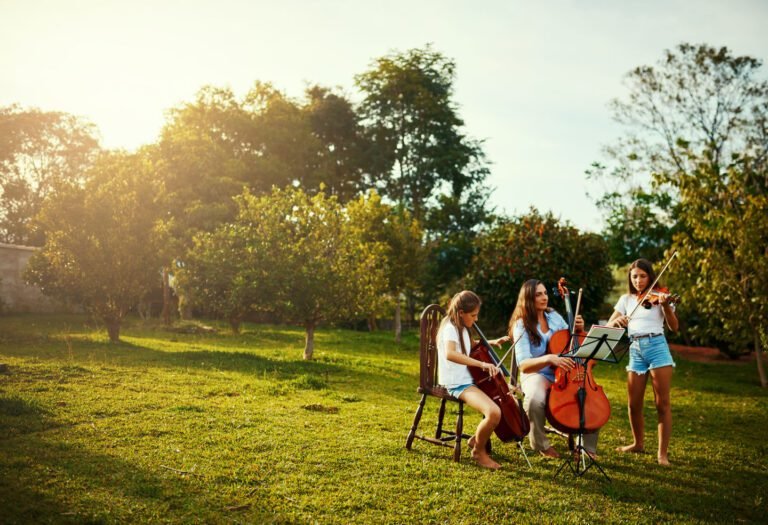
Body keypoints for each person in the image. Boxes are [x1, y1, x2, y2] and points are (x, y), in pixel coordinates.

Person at [509, 279, 598, 458]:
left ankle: (586, 448)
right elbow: (524, 365)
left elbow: (571, 342)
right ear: (527, 299)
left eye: (545, 293)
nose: (544, 298)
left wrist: (578, 329)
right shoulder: (521, 325)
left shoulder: (554, 316)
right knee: (534, 399)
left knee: (588, 395)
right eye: (538, 294)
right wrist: (549, 358)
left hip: (565, 371)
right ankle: (541, 444)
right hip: (537, 373)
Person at [607, 258, 678, 466]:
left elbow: (674, 327)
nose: (638, 280)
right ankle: (638, 443)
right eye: (635, 276)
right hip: (635, 350)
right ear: (630, 278)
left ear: (650, 277)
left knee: (662, 404)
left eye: (643, 276)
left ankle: (662, 454)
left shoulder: (660, 297)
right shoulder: (626, 300)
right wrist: (617, 322)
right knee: (633, 404)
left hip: (657, 348)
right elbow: (610, 324)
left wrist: (666, 306)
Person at [437, 290, 509, 469]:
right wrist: (482, 365)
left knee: (504, 399)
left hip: (468, 378)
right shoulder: (450, 328)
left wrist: (490, 342)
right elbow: (451, 353)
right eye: (473, 315)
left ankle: (476, 439)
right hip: (458, 382)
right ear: (461, 313)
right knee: (494, 412)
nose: (476, 319)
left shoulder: (460, 327)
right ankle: (478, 451)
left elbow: (469, 345)